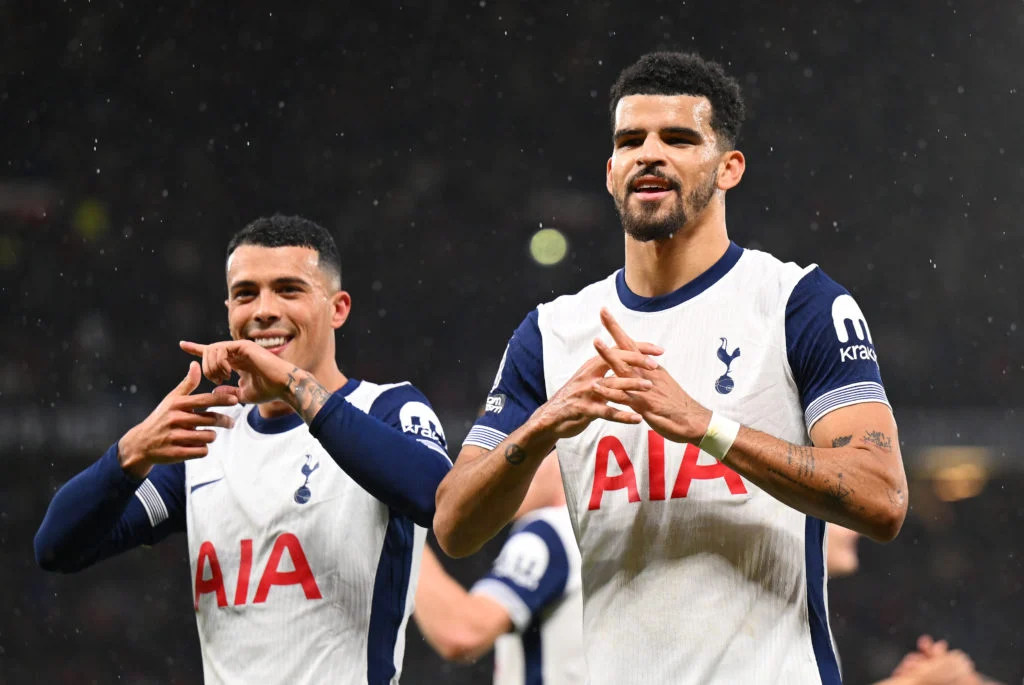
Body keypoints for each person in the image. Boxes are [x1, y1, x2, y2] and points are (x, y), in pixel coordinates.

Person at [433, 51, 909, 685]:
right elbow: (454, 526)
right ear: (610, 172)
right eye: (630, 141)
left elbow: (883, 497)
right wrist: (544, 424)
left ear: (729, 167)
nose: (648, 154)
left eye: (679, 138)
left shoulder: (799, 304)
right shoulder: (552, 333)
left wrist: (709, 427)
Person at [35, 215, 452, 684]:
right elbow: (57, 548)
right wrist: (128, 454)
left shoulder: (389, 408)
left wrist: (295, 387)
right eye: (246, 293)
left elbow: (437, 498)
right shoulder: (209, 441)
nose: (263, 310)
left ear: (338, 309)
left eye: (289, 289)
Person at [414, 452, 583, 684]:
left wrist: (404, 535)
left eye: (518, 450)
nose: (499, 466)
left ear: (561, 450)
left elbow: (463, 632)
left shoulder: (549, 531)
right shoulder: (596, 526)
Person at [826, 524, 992, 685]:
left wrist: (933, 676)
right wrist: (915, 681)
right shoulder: (811, 620)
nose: (856, 531)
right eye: (834, 517)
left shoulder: (818, 622)